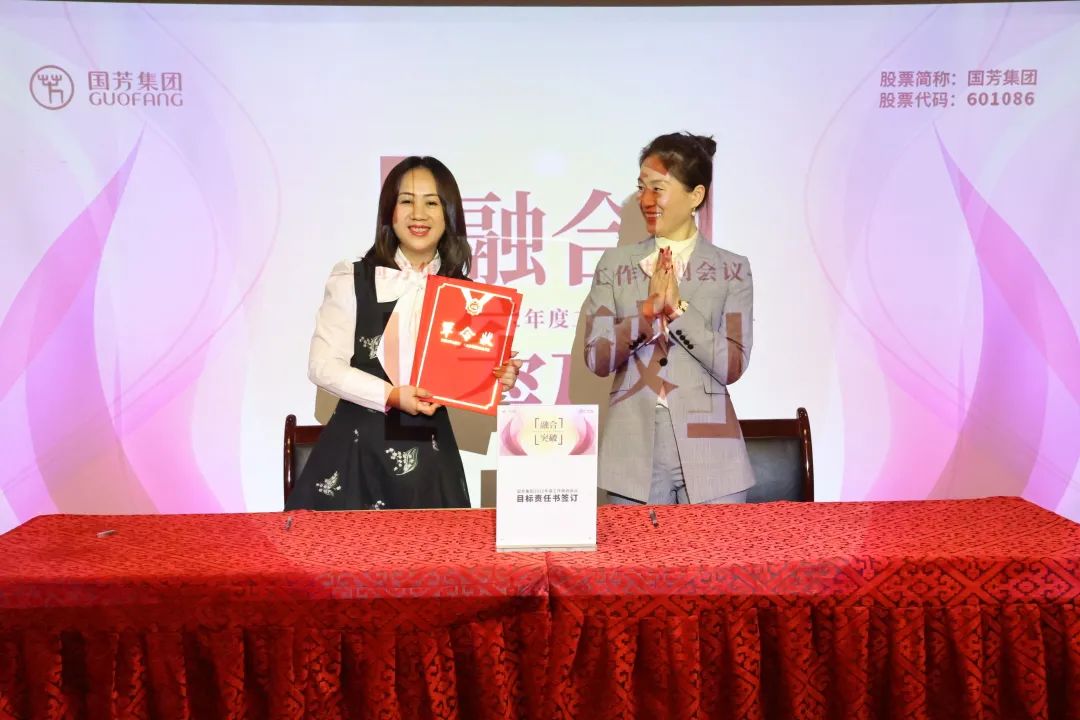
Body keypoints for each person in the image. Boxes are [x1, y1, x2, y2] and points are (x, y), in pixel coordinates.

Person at [285, 156, 521, 510]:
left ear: (449, 214)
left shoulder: (466, 296)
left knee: (438, 547)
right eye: (407, 201)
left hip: (431, 461)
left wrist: (496, 377)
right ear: (389, 212)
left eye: (432, 203)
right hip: (356, 460)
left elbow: (461, 378)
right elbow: (322, 366)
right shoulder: (354, 278)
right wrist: (390, 395)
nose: (418, 214)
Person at [580, 132, 755, 505]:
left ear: (696, 195)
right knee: (632, 548)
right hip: (632, 450)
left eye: (657, 189)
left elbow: (733, 364)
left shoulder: (732, 269)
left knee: (717, 548)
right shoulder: (614, 265)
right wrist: (646, 315)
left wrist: (677, 312)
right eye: (641, 188)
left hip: (713, 451)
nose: (646, 199)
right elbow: (596, 358)